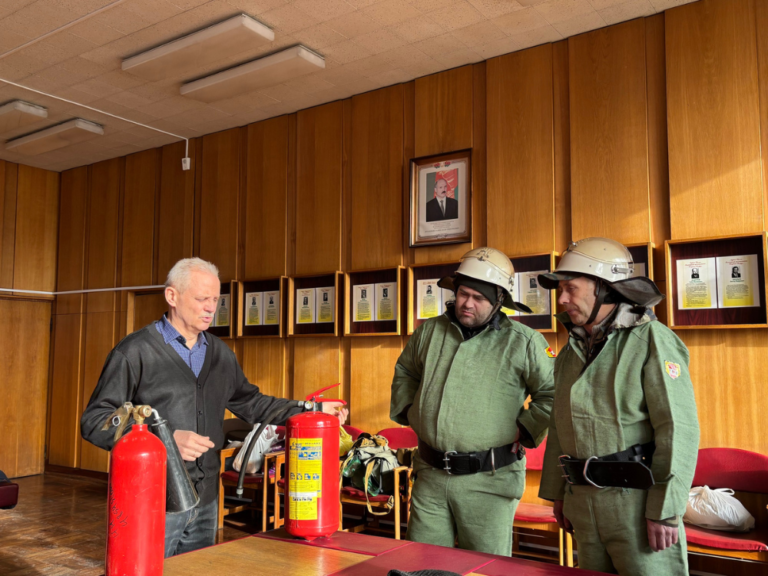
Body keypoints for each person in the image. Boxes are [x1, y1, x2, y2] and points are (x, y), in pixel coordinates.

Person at [81, 258, 348, 557]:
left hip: (206, 501)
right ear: (172, 296)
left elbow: (252, 403)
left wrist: (311, 408)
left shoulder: (220, 353)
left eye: (215, 300)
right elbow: (95, 420)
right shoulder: (134, 352)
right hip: (152, 499)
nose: (211, 307)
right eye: (201, 299)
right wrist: (164, 441)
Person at [537, 237, 699, 576]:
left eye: (570, 288)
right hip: (583, 503)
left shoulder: (652, 340)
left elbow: (677, 429)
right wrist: (558, 493)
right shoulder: (569, 353)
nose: (562, 299)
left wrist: (665, 509)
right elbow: (559, 426)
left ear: (606, 288)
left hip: (638, 506)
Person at [390, 247, 554, 555]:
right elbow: (406, 372)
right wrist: (412, 412)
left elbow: (552, 394)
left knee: (485, 570)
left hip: (490, 481)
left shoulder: (525, 342)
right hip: (430, 475)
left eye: (479, 298)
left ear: (498, 302)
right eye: (464, 293)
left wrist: (526, 428)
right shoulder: (429, 331)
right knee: (421, 565)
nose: (467, 303)